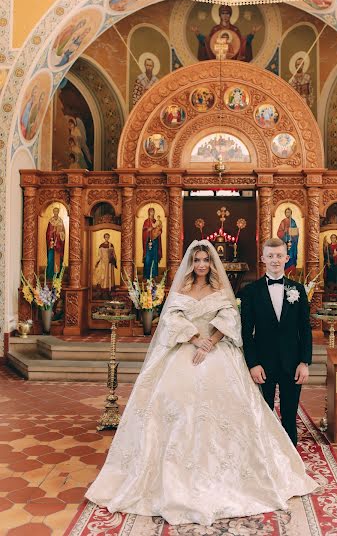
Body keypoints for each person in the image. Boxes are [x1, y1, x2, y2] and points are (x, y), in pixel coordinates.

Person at [85, 240, 317, 525]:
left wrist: (210, 342)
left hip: (219, 351)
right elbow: (171, 319)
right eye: (197, 260)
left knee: (250, 412)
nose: (202, 265)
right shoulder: (182, 289)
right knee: (177, 406)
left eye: (206, 260)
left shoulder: (224, 289)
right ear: (191, 263)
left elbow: (231, 318)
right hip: (185, 351)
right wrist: (196, 339)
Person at [240, 238, 312, 446]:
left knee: (289, 415)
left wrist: (304, 362)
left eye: (279, 256)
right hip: (263, 363)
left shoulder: (297, 289)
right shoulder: (251, 291)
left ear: (287, 258)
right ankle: (264, 457)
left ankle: (290, 461)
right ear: (263, 258)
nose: (275, 260)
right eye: (270, 256)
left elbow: (305, 329)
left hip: (292, 362)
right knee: (263, 414)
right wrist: (253, 363)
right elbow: (246, 331)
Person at [277, 207, 299, 274]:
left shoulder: (293, 222)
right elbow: (279, 233)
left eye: (289, 212)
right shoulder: (283, 222)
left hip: (292, 244)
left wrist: (292, 233)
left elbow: (296, 234)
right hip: (285, 243)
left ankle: (292, 272)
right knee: (285, 256)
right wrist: (285, 232)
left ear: (291, 213)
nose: (287, 213)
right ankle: (285, 272)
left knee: (292, 256)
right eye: (286, 212)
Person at [142, 207, 162, 279]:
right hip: (148, 242)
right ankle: (147, 275)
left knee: (155, 258)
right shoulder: (146, 221)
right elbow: (144, 230)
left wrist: (158, 231)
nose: (152, 213)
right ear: (148, 213)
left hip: (155, 242)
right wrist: (148, 230)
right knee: (148, 258)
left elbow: (160, 229)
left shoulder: (156, 221)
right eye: (151, 212)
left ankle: (154, 274)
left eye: (153, 212)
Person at [46, 207, 66, 277]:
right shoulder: (51, 221)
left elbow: (63, 233)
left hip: (58, 245)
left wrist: (60, 234)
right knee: (51, 259)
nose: (55, 213)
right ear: (53, 212)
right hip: (52, 244)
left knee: (58, 259)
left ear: (58, 212)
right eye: (54, 211)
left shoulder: (61, 221)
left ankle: (58, 275)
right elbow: (48, 233)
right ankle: (50, 275)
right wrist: (52, 232)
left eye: (57, 211)